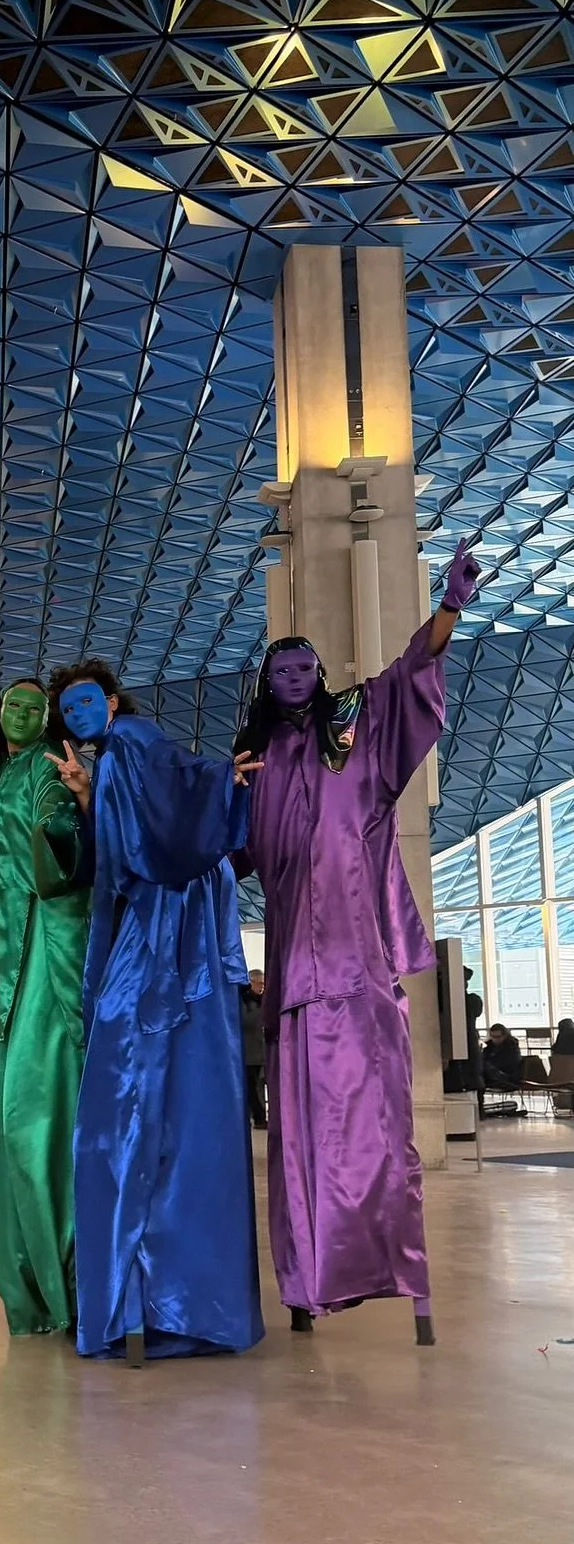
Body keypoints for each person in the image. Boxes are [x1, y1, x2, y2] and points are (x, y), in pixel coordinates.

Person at [236, 537, 481, 1336]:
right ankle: (308, 1278)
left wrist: (447, 608)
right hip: (296, 981)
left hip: (361, 968)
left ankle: (389, 1267)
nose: (296, 681)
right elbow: (214, 836)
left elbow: (411, 674)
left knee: (378, 1125)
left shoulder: (360, 744)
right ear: (266, 686)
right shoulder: (255, 764)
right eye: (282, 672)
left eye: (306, 669)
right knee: (300, 1138)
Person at [48, 662, 264, 1361]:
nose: (79, 714)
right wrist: (87, 795)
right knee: (179, 1110)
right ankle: (171, 1301)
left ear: (110, 701)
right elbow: (133, 838)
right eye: (69, 708)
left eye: (87, 701)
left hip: (163, 938)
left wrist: (218, 782)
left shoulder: (135, 740)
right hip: (165, 933)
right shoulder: (113, 760)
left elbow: (168, 815)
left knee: (129, 1111)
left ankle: (144, 1301)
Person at [0, 678, 89, 1337]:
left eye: (31, 706)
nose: (19, 712)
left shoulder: (42, 769)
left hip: (42, 946)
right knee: (10, 1130)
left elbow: (61, 835)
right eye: (11, 704)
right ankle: (29, 1289)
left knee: (29, 1118)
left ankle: (63, 1283)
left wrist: (68, 810)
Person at [241, 970, 267, 1131]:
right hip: (248, 1052)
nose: (262, 987)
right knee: (251, 1088)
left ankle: (260, 1116)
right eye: (259, 983)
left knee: (258, 1086)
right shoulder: (244, 1000)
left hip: (260, 1053)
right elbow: (247, 1021)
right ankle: (258, 1117)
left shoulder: (260, 1001)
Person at [482, 1023, 524, 1093]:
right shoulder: (488, 1048)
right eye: (492, 1037)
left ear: (504, 1036)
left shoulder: (512, 1048)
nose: (495, 1039)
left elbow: (511, 1064)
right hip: (491, 1075)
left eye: (498, 1037)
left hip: (507, 1077)